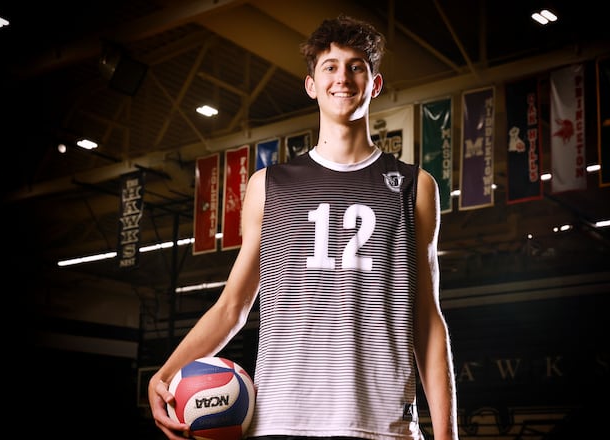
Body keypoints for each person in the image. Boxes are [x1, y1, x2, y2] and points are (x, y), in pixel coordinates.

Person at [148, 14, 459, 440]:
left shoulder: (414, 186)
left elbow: (427, 319)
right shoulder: (269, 186)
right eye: (329, 66)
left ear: (375, 84)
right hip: (281, 422)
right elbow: (232, 307)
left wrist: (448, 435)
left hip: (382, 426)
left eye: (356, 66)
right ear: (311, 84)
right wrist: (164, 375)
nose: (343, 78)